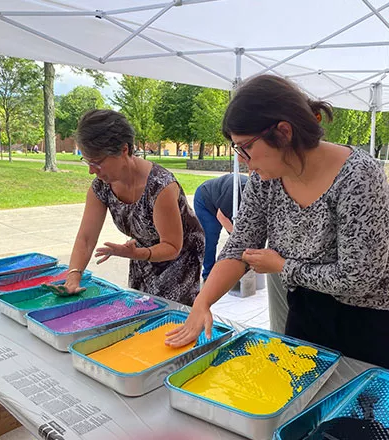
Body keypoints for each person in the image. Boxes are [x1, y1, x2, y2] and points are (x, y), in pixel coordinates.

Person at [166, 74, 389, 368]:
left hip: (364, 321)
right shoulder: (265, 179)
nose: (242, 159)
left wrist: (284, 267)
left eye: (245, 147)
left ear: (283, 132)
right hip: (306, 311)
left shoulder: (359, 176)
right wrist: (202, 303)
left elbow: (359, 279)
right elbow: (241, 245)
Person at [61, 109, 205, 306]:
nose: (91, 170)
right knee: (140, 311)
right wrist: (73, 276)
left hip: (180, 258)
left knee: (169, 319)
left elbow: (171, 246)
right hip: (141, 253)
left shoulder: (161, 186)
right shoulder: (101, 186)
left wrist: (137, 253)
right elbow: (85, 238)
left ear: (124, 150)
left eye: (98, 162)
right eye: (87, 160)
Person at [193, 173, 248, 281]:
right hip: (205, 200)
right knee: (211, 237)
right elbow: (221, 216)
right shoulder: (236, 189)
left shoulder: (256, 195)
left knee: (239, 238)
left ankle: (238, 271)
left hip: (223, 202)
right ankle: (208, 275)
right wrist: (238, 237)